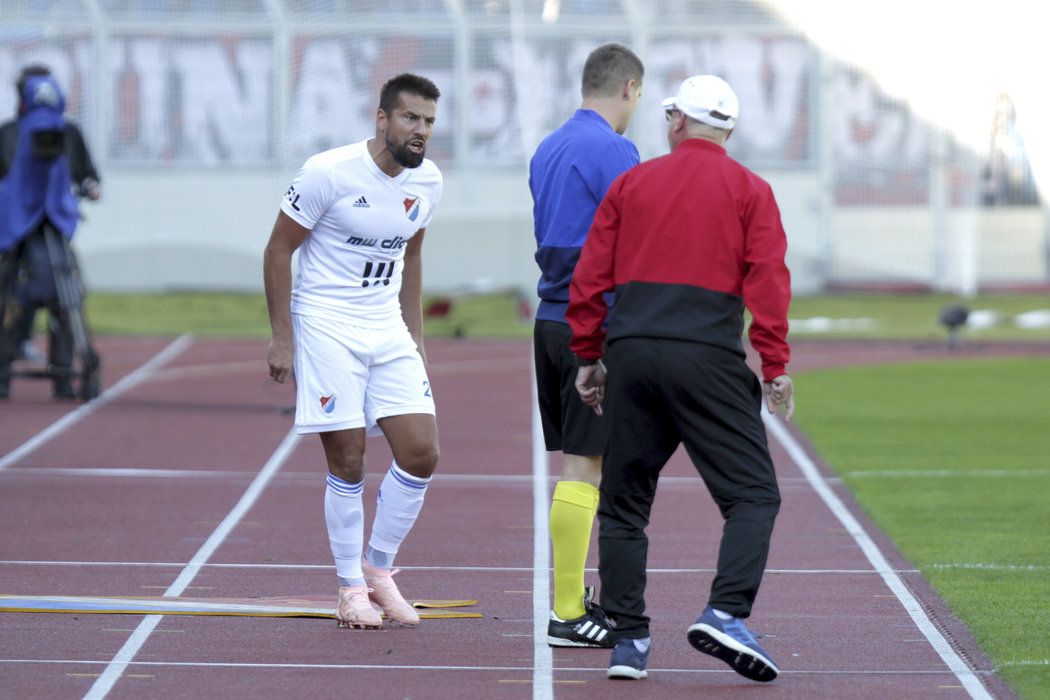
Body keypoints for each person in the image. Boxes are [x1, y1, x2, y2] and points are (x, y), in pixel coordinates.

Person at [566, 75, 795, 681]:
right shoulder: (752, 189)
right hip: (708, 357)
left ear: (675, 121)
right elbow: (767, 281)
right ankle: (725, 611)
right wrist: (774, 366)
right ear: (729, 130)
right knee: (753, 495)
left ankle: (629, 642)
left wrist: (590, 355)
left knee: (623, 504)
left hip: (634, 354)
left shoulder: (633, 182)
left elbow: (590, 278)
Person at [264, 73, 443, 629]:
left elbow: (410, 259)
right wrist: (282, 337)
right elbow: (277, 250)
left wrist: (416, 338)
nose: (421, 132)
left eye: (430, 122)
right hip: (325, 325)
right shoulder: (328, 172)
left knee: (421, 453)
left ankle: (378, 570)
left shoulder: (429, 181)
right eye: (411, 118)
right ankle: (348, 588)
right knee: (348, 460)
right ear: (383, 118)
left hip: (386, 328)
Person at [528, 43, 644, 649]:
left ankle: (576, 601)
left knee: (581, 460)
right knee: (585, 465)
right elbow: (634, 239)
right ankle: (568, 611)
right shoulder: (617, 150)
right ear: (628, 88)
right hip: (587, 323)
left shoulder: (547, 148)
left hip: (549, 320)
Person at [0, 65, 100, 400]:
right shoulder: (9, 132)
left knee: (68, 296)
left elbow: (87, 173)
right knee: (10, 298)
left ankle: (64, 374)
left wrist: (89, 186)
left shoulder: (68, 132)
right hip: (16, 232)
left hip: (55, 227)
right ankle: (2, 370)